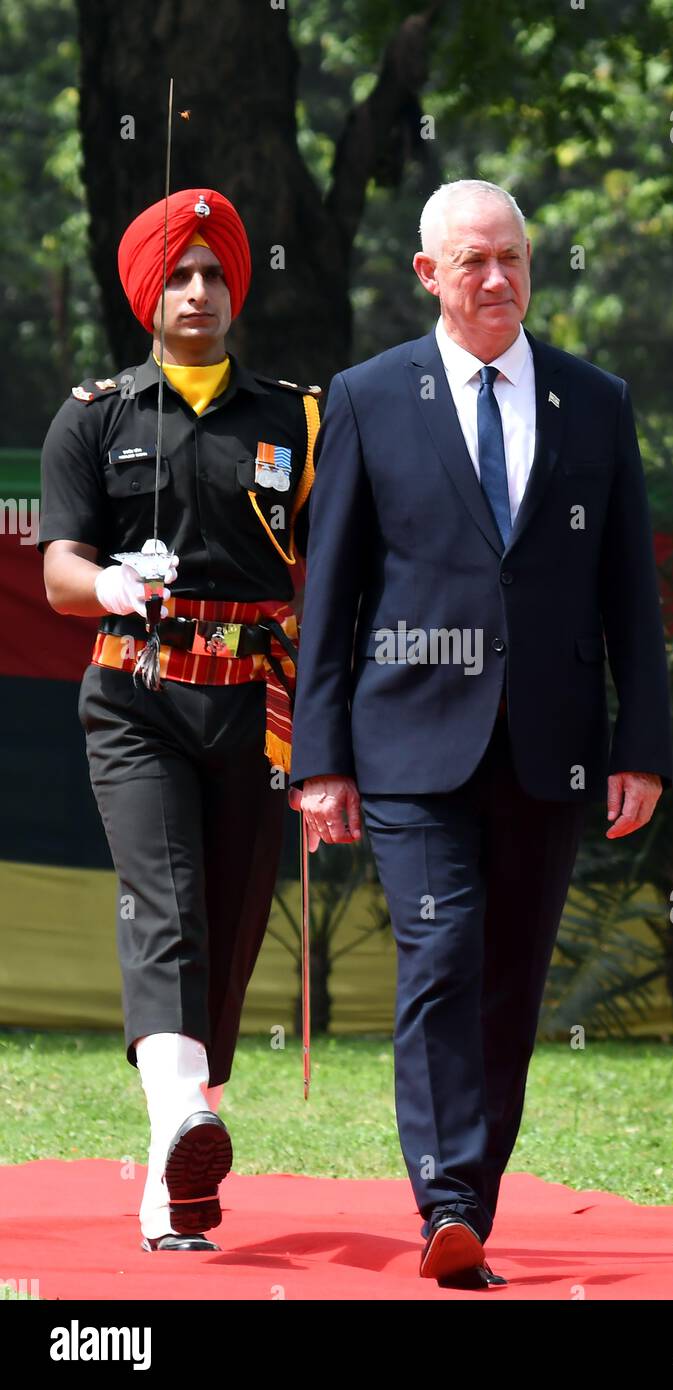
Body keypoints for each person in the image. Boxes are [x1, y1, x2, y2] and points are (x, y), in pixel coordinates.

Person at [288, 179, 673, 1288]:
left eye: (512, 257)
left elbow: (627, 592)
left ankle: (472, 1202)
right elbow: (335, 593)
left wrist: (638, 741)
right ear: (428, 276)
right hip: (409, 745)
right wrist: (321, 760)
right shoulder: (368, 398)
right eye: (473, 262)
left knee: (510, 979)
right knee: (442, 957)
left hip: (550, 748)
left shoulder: (595, 402)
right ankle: (444, 1202)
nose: (497, 279)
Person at [38, 187, 320, 1253]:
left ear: (236, 286)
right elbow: (59, 566)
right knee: (165, 904)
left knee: (234, 925)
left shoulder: (296, 416)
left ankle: (180, 1156)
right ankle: (180, 1135)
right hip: (138, 695)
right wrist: (111, 582)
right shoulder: (96, 413)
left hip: (257, 703)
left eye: (215, 274)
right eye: (180, 275)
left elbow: (331, 569)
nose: (199, 291)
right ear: (147, 292)